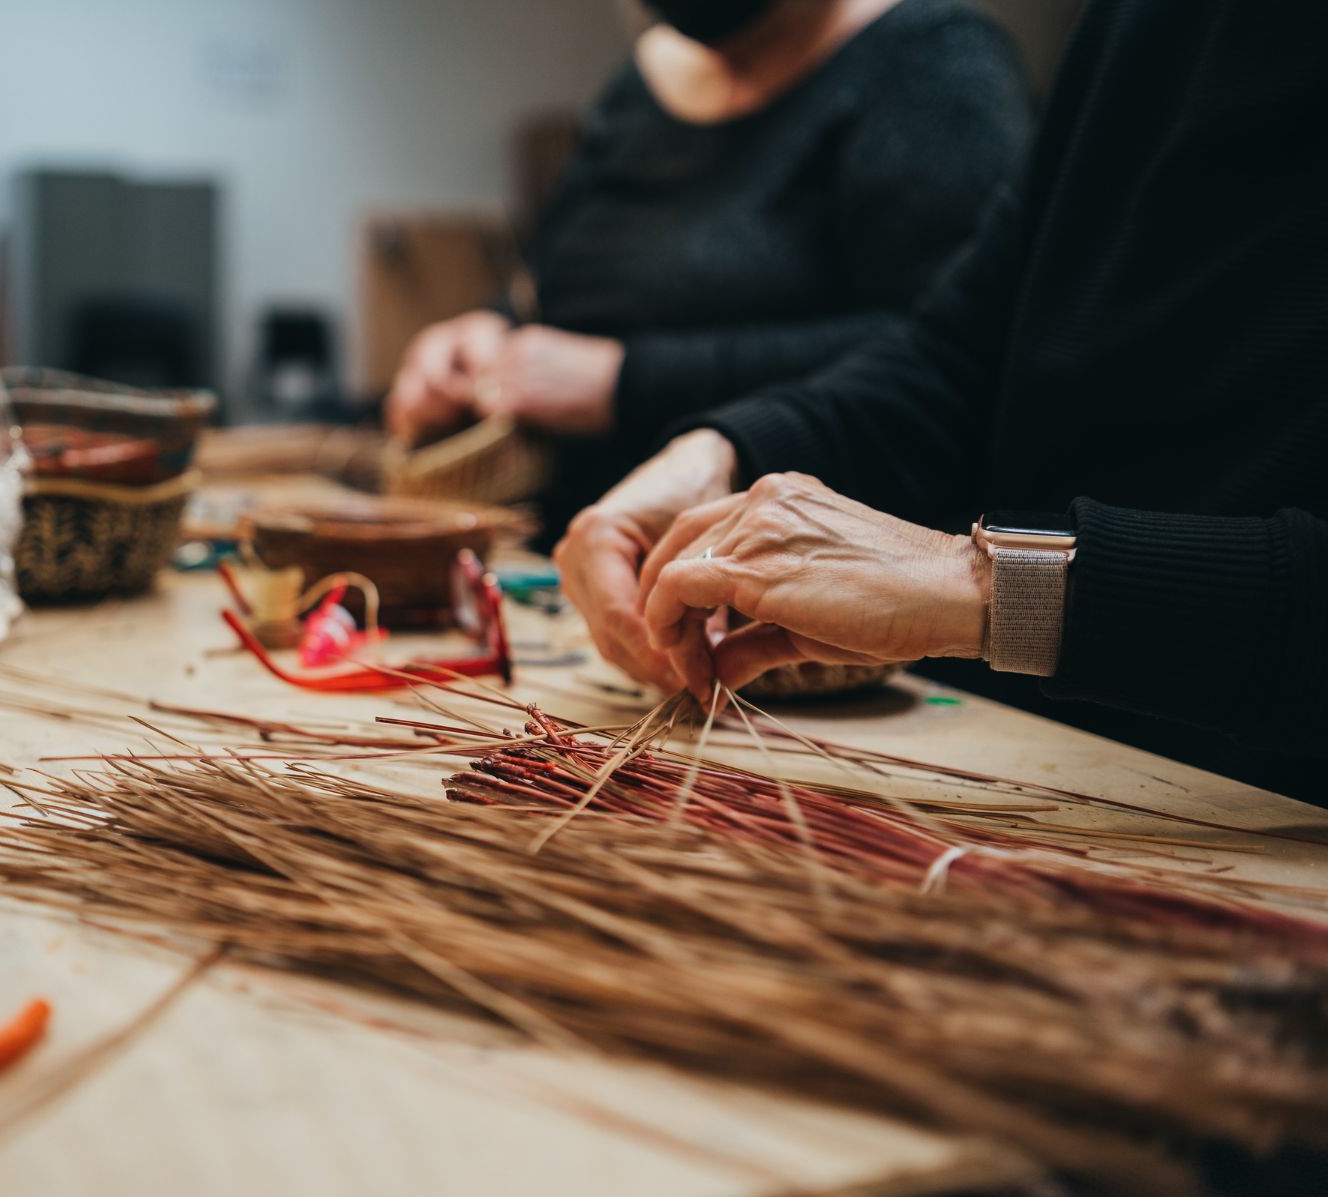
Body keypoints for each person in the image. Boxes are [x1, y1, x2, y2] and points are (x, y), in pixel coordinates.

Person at [554, 0, 1328, 802]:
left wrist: (986, 587)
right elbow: (960, 355)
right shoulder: (1146, 24)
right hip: (1033, 773)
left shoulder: (931, 59)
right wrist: (720, 455)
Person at [386, 0, 1032, 537]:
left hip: (791, 607)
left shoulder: (933, 66)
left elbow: (952, 359)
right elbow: (572, 281)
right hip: (572, 564)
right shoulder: (645, 80)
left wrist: (625, 384)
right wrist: (485, 335)